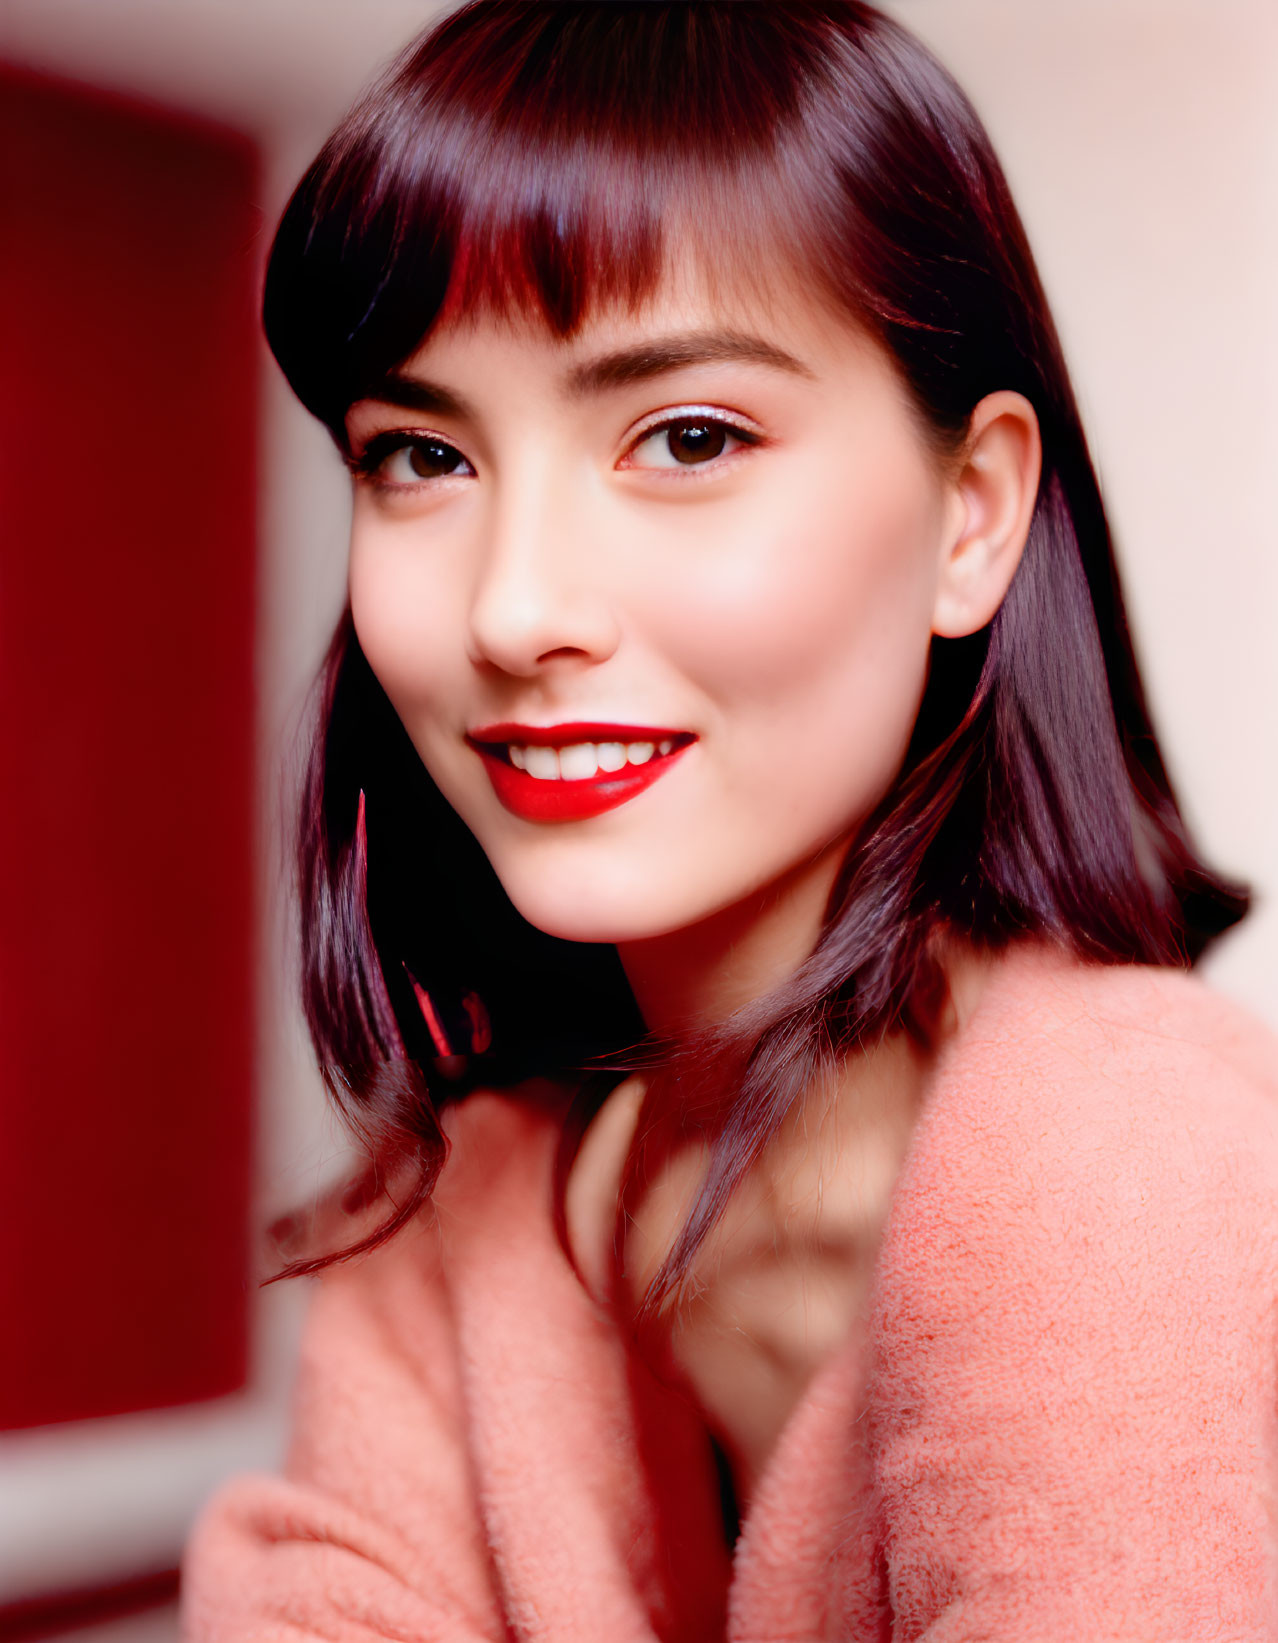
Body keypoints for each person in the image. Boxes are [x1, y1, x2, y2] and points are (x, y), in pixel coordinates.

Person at [182, 2, 1278, 1636]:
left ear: (971, 514)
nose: (514, 606)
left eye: (685, 436)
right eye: (420, 453)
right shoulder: (465, 1203)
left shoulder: (1130, 1155)